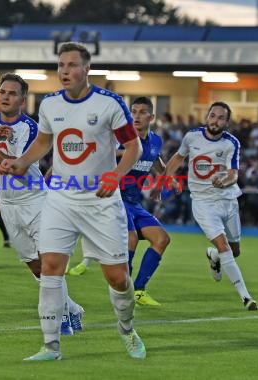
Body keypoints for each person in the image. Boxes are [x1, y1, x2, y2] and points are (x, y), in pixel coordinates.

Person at [1, 42, 146, 360]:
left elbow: (133, 147)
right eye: (60, 65)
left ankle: (126, 328)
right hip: (61, 199)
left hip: (101, 201)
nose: (65, 71)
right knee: (50, 267)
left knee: (118, 278)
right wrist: (22, 162)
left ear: (87, 69)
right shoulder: (50, 105)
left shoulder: (110, 104)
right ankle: (51, 345)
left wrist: (117, 174)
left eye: (71, 65)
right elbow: (43, 141)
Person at [0, 72, 84, 336]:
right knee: (35, 266)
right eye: (3, 92)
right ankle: (72, 308)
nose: (5, 97)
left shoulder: (30, 128)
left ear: (23, 100)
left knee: (48, 262)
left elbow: (12, 168)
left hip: (36, 201)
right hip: (9, 206)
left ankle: (59, 317)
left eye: (12, 93)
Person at [68, 97, 170, 307]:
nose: (137, 116)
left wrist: (162, 181)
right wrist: (129, 152)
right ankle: (123, 290)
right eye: (133, 111)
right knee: (130, 240)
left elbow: (157, 162)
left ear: (151, 117)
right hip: (113, 199)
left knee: (162, 239)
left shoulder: (156, 141)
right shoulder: (120, 139)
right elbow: (98, 151)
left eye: (142, 112)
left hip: (134, 203)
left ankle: (139, 290)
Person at [164, 101, 258, 311]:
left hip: (228, 200)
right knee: (224, 245)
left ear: (227, 122)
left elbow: (233, 174)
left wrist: (224, 181)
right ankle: (246, 297)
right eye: (212, 116)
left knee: (234, 251)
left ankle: (214, 256)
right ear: (207, 117)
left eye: (221, 118)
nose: (215, 121)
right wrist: (167, 178)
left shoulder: (231, 143)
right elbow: (178, 157)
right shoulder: (192, 137)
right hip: (203, 202)